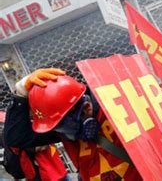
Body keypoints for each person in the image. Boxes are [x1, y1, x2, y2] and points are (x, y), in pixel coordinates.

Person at [4, 68, 142, 180]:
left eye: (67, 127)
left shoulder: (116, 108)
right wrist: (20, 95)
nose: (66, 135)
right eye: (58, 128)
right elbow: (15, 139)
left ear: (87, 108)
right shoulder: (62, 125)